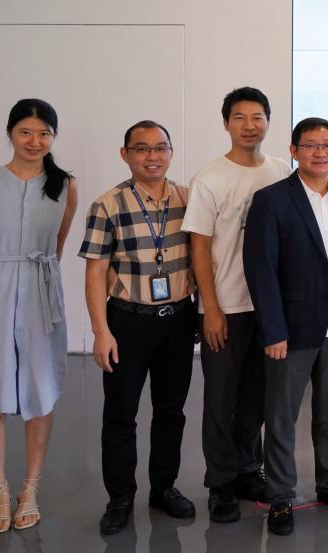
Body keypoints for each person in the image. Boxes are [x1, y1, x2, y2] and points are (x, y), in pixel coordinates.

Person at [0, 98, 78, 534]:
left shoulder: (65, 185)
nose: (35, 140)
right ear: (10, 133)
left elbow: (57, 246)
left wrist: (29, 274)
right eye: (26, 131)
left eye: (44, 133)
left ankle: (30, 489)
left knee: (39, 394)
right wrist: (1, 277)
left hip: (41, 292)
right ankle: (0, 493)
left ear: (53, 137)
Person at [244, 117, 328, 536]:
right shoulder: (271, 200)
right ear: (294, 150)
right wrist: (273, 329)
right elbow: (260, 270)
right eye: (311, 145)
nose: (320, 152)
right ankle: (280, 494)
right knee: (282, 416)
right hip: (291, 331)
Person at [80, 121, 198, 534]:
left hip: (178, 320)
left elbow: (203, 258)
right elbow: (96, 272)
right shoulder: (107, 205)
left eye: (160, 148)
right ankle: (120, 498)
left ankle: (164, 489)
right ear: (125, 154)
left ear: (171, 152)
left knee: (171, 411)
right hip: (127, 321)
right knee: (120, 415)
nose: (152, 156)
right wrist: (101, 331)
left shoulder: (188, 199)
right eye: (142, 148)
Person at [181, 86, 292, 522]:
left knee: (258, 397)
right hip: (226, 306)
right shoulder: (210, 178)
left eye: (257, 117)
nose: (249, 126)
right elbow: (199, 247)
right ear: (226, 123)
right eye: (240, 118)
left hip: (270, 308)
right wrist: (210, 308)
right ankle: (221, 482)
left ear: (268, 122)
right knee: (221, 399)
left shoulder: (281, 170)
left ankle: (249, 469)